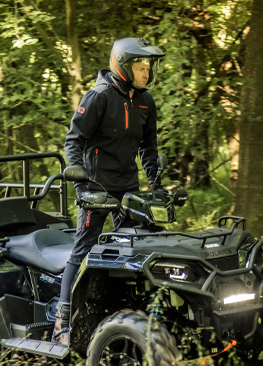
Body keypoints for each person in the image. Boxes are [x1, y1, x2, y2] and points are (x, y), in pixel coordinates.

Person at [53, 37, 165, 346]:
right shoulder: (99, 97)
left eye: (148, 67)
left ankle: (124, 318)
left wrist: (155, 181)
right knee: (84, 249)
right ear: (123, 67)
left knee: (133, 248)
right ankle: (63, 321)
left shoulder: (146, 101)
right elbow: (74, 140)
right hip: (97, 189)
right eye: (140, 68)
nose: (146, 73)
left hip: (129, 189)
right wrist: (81, 184)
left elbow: (148, 147)